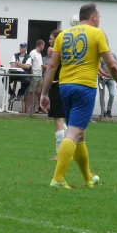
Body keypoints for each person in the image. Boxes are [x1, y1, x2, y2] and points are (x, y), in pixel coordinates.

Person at [41, 3, 117, 189]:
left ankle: (88, 178)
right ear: (93, 16)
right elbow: (112, 65)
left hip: (65, 87)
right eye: (99, 16)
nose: (100, 20)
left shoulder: (63, 35)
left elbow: (52, 66)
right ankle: (58, 178)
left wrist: (44, 93)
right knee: (74, 132)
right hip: (84, 87)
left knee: (80, 135)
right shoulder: (97, 33)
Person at [46, 29, 67, 161]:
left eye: (51, 38)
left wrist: (54, 79)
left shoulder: (58, 53)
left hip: (58, 87)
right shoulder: (65, 52)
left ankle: (60, 154)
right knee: (62, 120)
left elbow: (54, 67)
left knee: (58, 119)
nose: (49, 41)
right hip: (64, 87)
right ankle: (71, 146)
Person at [98, 52, 117, 118]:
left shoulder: (113, 55)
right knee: (101, 96)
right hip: (101, 79)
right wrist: (103, 75)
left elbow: (116, 66)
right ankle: (102, 112)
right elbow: (98, 68)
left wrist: (114, 76)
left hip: (110, 79)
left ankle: (109, 110)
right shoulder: (100, 56)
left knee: (112, 94)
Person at [28, 40, 45, 114]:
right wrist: (32, 74)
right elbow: (30, 63)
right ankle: (29, 108)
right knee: (31, 92)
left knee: (37, 92)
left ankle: (35, 108)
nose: (44, 47)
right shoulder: (33, 52)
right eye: (43, 45)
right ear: (41, 45)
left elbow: (40, 65)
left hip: (40, 75)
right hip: (34, 75)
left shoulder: (40, 54)